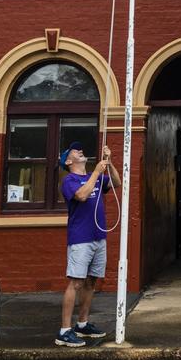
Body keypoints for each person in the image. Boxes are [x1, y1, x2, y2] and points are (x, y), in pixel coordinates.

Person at [56, 140, 122, 347]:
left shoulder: (93, 177)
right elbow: (82, 195)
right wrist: (96, 173)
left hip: (98, 237)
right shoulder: (69, 180)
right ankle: (64, 330)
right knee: (76, 282)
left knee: (91, 281)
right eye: (75, 150)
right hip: (80, 238)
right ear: (68, 160)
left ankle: (82, 324)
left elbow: (117, 183)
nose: (80, 150)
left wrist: (108, 162)